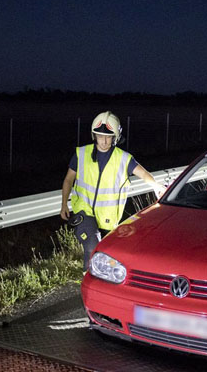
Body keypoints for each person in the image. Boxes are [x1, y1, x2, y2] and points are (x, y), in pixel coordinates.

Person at [60, 111, 166, 269]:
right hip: (84, 211)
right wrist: (64, 205)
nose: (103, 141)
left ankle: (103, 285)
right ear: (94, 135)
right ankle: (88, 283)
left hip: (109, 220)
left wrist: (157, 187)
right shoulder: (81, 154)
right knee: (91, 245)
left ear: (115, 137)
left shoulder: (123, 158)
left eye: (108, 136)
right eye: (99, 136)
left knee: (105, 255)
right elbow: (68, 179)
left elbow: (143, 174)